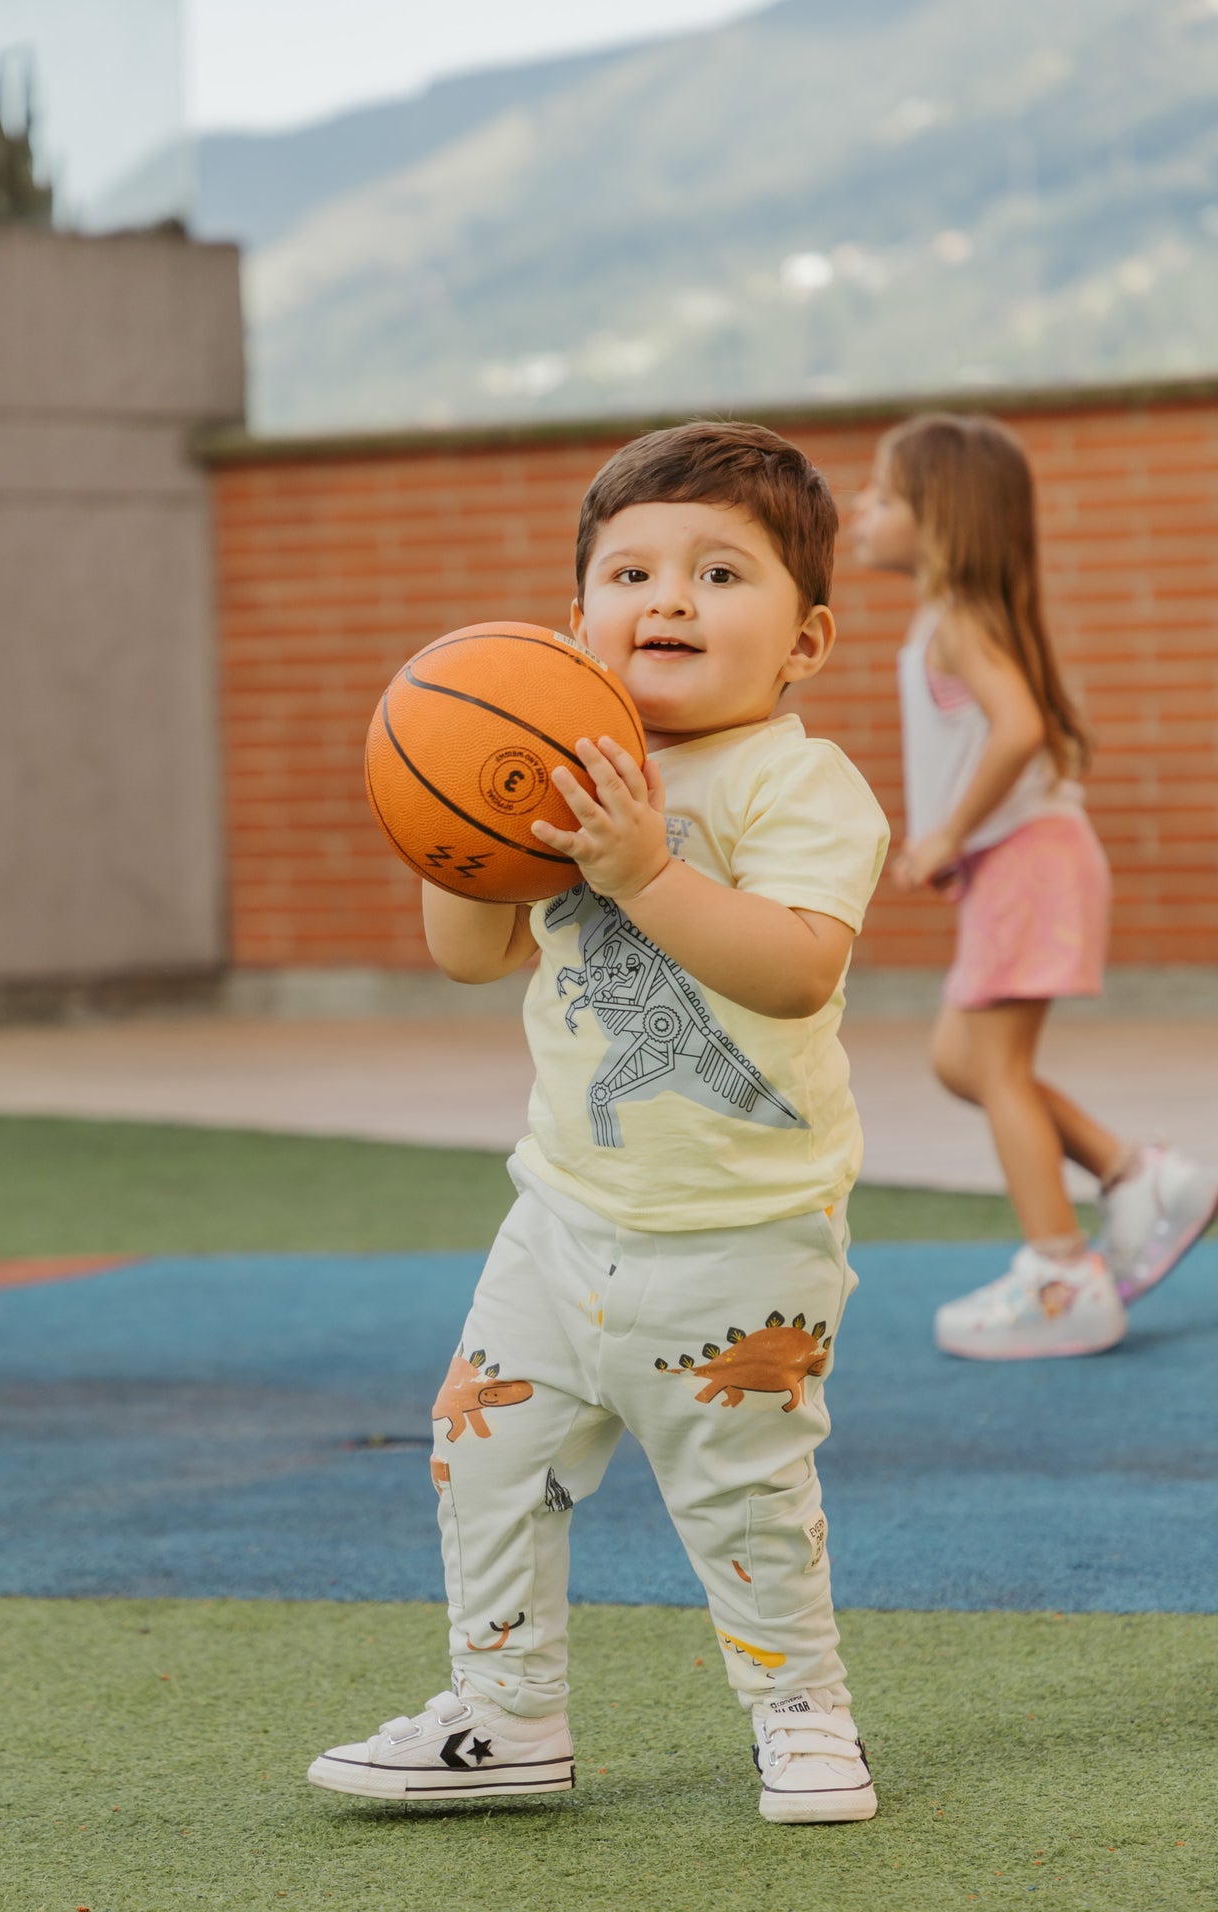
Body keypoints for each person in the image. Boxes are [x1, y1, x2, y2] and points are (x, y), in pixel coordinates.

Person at [307, 421, 889, 1824]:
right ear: (575, 629)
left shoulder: (792, 783)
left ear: (804, 642)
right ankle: (506, 1719)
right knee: (481, 1453)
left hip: (744, 1234)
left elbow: (797, 963)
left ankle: (803, 1713)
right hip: (561, 1217)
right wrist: (454, 823)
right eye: (629, 573)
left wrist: (640, 870)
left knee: (744, 1496)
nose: (668, 599)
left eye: (718, 573)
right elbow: (471, 950)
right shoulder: (555, 764)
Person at [852, 411, 1217, 1362]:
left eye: (883, 495)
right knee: (958, 1059)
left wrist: (947, 837)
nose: (861, 507)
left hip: (1029, 866)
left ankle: (1064, 1275)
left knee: (998, 1069)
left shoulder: (960, 621)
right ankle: (1137, 1174)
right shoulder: (951, 617)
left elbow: (1018, 730)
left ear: (939, 519)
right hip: (1022, 869)